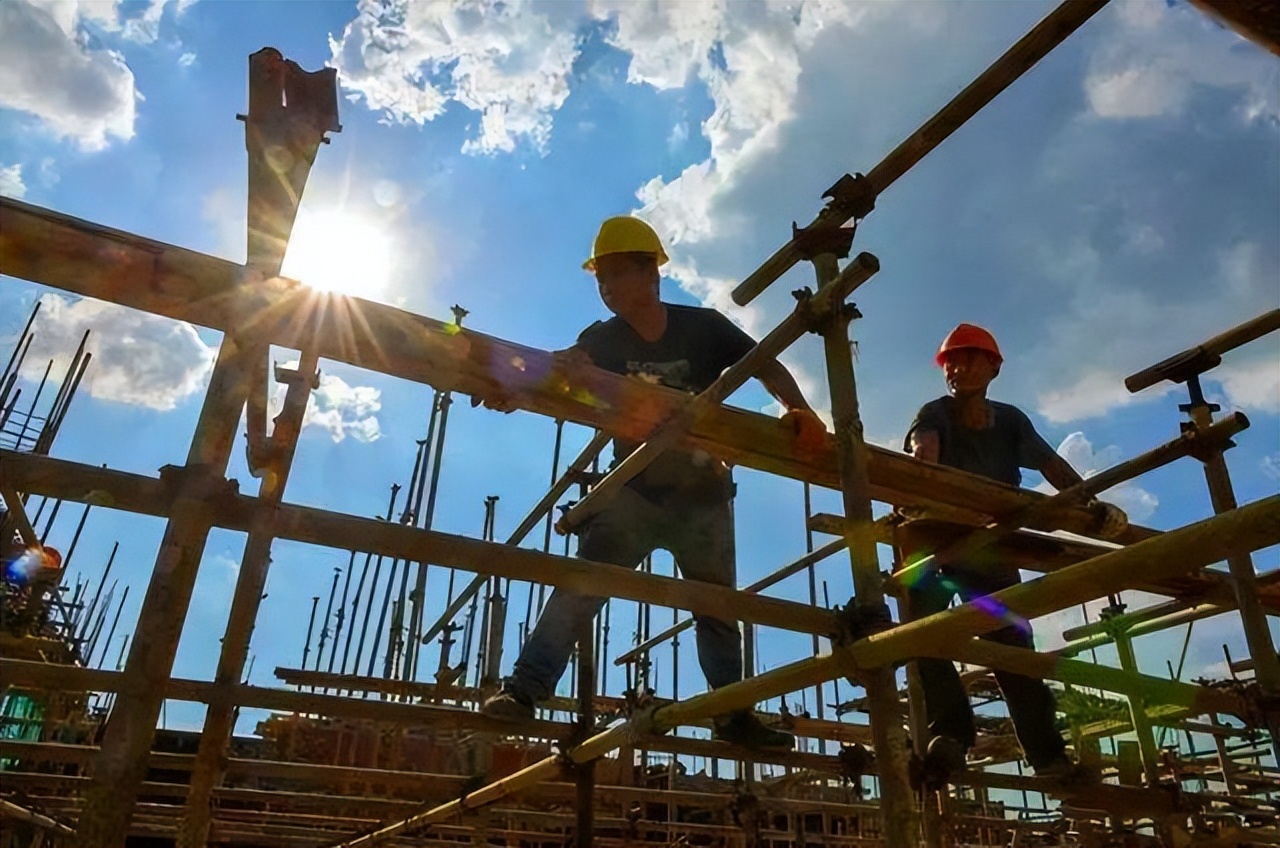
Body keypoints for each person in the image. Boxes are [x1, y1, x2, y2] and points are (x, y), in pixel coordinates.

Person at [480, 216, 827, 749]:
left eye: (616, 274)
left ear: (650, 273)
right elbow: (567, 369)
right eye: (600, 278)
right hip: (635, 491)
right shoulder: (604, 338)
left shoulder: (706, 328)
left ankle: (732, 716)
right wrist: (513, 383)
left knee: (717, 611)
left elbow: (764, 365)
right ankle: (524, 692)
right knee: (581, 590)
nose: (606, 287)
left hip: (703, 495)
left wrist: (798, 409)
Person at [900, 323, 1128, 783]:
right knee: (925, 639)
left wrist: (1091, 504)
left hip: (989, 551)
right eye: (951, 363)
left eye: (967, 359)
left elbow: (1052, 466)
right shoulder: (934, 413)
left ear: (994, 367)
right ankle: (950, 738)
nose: (957, 369)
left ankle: (1049, 758)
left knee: (1014, 651)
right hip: (935, 548)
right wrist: (917, 487)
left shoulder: (1010, 421)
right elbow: (923, 455)